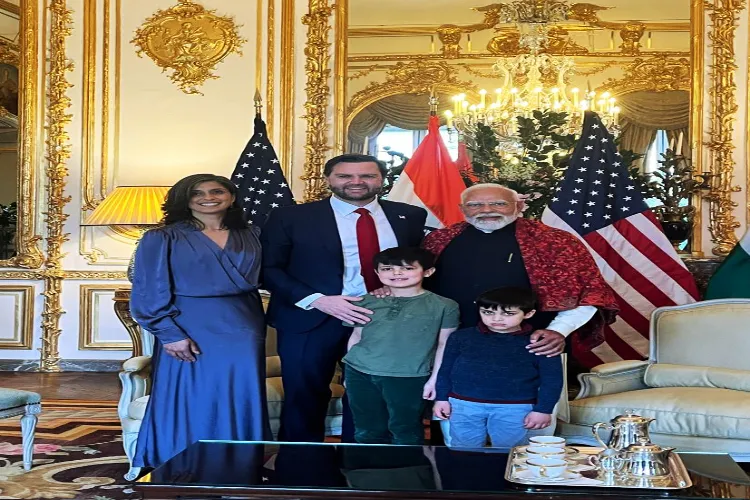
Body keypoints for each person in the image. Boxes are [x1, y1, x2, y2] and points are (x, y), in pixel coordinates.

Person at [260, 154, 427, 442]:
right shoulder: (290, 217)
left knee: (374, 396)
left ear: (382, 180)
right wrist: (319, 299)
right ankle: (301, 469)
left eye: (367, 175)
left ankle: (364, 467)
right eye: (345, 176)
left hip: (384, 318)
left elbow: (416, 266)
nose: (356, 182)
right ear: (328, 179)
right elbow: (268, 268)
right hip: (311, 317)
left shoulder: (409, 216)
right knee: (304, 395)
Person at [130, 173, 269, 469]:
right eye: (198, 193)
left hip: (244, 324)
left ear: (231, 196)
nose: (209, 197)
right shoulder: (161, 237)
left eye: (217, 191)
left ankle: (238, 465)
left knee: (239, 394)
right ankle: (181, 463)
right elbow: (148, 289)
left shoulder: (253, 234)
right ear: (185, 200)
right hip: (187, 324)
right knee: (192, 394)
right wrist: (168, 333)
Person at [423, 183, 618, 363]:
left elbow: (590, 292)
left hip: (533, 343)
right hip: (455, 342)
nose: (487, 210)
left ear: (518, 205)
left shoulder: (555, 241)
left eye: (499, 204)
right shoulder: (439, 240)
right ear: (462, 208)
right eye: (475, 205)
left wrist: (559, 331)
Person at [343, 247, 459, 445]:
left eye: (406, 268)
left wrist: (434, 381)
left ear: (428, 271)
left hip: (409, 376)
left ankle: (408, 473)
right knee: (366, 429)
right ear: (377, 273)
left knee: (405, 429)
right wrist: (348, 373)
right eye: (387, 268)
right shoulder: (365, 301)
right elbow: (356, 336)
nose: (396, 273)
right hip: (360, 373)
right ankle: (367, 473)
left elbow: (444, 345)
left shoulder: (444, 305)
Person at [433, 287, 563, 449]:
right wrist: (442, 398)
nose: (497, 318)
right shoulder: (461, 337)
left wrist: (543, 410)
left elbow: (552, 380)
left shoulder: (541, 342)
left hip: (514, 407)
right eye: (487, 312)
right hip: (463, 405)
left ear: (528, 313)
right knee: (463, 450)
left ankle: (500, 475)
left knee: (508, 452)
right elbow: (445, 371)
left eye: (508, 314)